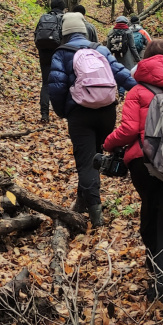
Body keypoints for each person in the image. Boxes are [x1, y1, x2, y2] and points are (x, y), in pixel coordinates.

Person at [103, 40, 163, 301]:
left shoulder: (137, 90)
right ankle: (162, 272)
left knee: (152, 211)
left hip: (144, 164)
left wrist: (107, 143)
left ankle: (162, 280)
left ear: (145, 60)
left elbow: (129, 130)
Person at [48, 13, 137, 227]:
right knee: (95, 155)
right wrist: (143, 89)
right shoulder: (100, 49)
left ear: (64, 33)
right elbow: (122, 74)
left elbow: (56, 88)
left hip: (80, 114)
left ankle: (96, 217)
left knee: (86, 162)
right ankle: (82, 201)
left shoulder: (61, 53)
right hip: (107, 111)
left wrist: (64, 112)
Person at [34, 0, 66, 124]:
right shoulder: (63, 18)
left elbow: (36, 34)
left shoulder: (43, 17)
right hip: (58, 52)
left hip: (44, 53)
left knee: (46, 84)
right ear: (62, 8)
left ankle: (44, 114)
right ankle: (62, 112)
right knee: (62, 82)